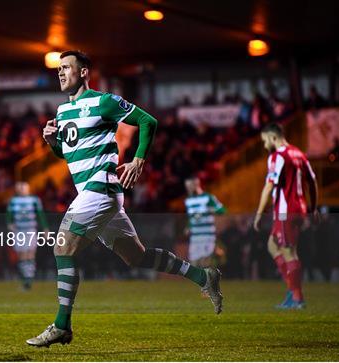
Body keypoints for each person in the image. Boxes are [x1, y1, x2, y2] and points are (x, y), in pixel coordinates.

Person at [26, 50, 223, 348]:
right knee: (137, 256)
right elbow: (69, 154)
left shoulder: (104, 101)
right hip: (92, 194)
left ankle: (62, 325)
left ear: (83, 72)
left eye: (67, 67)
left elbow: (148, 122)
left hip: (100, 188)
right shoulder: (62, 111)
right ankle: (203, 276)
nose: (61, 73)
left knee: (62, 247)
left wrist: (138, 160)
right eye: (59, 69)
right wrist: (53, 143)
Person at [253, 122, 318, 309]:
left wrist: (259, 213)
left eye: (265, 141)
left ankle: (297, 297)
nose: (265, 146)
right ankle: (292, 291)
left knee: (289, 252)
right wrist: (313, 208)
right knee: (272, 245)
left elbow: (269, 185)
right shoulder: (299, 154)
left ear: (273, 138)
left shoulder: (278, 156)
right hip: (299, 208)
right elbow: (312, 182)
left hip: (285, 210)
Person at [6, 181, 49, 290]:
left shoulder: (34, 200)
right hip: (19, 231)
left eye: (24, 188)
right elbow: (9, 215)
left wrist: (45, 229)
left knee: (30, 254)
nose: (22, 189)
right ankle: (25, 280)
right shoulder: (13, 201)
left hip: (30, 230)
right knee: (21, 255)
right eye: (20, 188)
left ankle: (28, 281)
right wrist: (10, 225)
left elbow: (40, 214)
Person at [184, 176, 226, 268]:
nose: (188, 188)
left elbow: (222, 210)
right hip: (195, 236)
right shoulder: (188, 201)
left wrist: (209, 209)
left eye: (189, 186)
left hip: (207, 235)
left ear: (196, 185)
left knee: (205, 263)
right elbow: (191, 217)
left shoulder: (208, 198)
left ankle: (209, 281)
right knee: (194, 263)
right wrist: (188, 226)